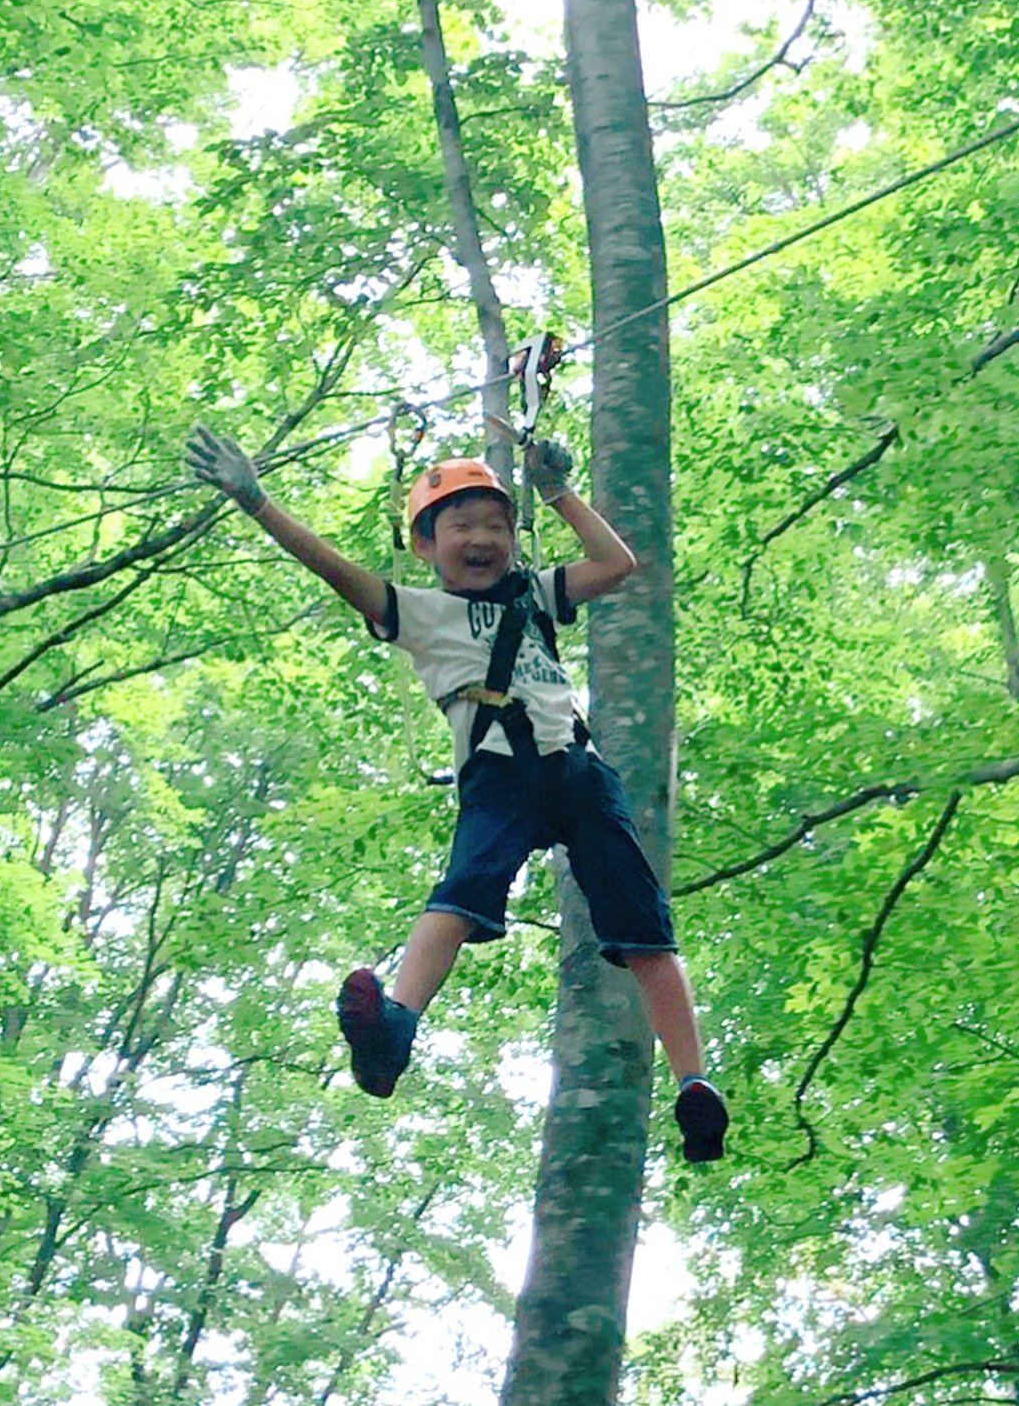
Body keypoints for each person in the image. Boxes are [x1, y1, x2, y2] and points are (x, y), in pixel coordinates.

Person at [186, 425, 729, 1163]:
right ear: (425, 545)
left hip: (577, 768)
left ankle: (694, 1083)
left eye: (497, 526)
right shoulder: (418, 611)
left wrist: (557, 493)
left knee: (645, 928)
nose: (483, 537)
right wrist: (256, 502)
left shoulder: (535, 596)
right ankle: (395, 1027)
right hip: (499, 771)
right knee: (463, 890)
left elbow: (616, 564)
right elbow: (335, 571)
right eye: (462, 525)